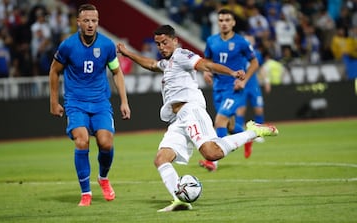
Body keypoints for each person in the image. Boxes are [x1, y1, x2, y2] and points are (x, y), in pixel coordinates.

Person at [117, 24, 278, 212]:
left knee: (212, 153)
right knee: (161, 159)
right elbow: (151, 64)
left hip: (191, 110)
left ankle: (253, 132)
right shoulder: (167, 63)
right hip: (177, 120)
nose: (161, 47)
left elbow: (206, 64)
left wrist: (232, 72)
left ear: (175, 41)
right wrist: (128, 54)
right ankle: (181, 200)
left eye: (165, 42)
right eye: (158, 44)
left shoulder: (181, 55)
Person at [49, 4, 131, 207]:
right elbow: (54, 71)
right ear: (78, 22)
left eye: (94, 21)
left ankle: (103, 178)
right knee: (81, 140)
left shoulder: (106, 45)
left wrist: (124, 101)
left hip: (100, 102)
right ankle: (86, 193)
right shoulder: (68, 46)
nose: (90, 24)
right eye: (86, 20)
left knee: (106, 143)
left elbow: (116, 72)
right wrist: (53, 101)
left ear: (98, 22)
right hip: (76, 103)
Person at [199, 9, 260, 171]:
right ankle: (248, 138)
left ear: (233, 23)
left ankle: (213, 161)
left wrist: (244, 81)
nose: (224, 23)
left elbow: (254, 63)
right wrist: (206, 71)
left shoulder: (241, 42)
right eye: (221, 20)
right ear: (217, 23)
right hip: (218, 88)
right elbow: (208, 60)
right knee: (231, 127)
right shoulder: (211, 40)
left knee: (219, 121)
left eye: (227, 20)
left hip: (234, 88)